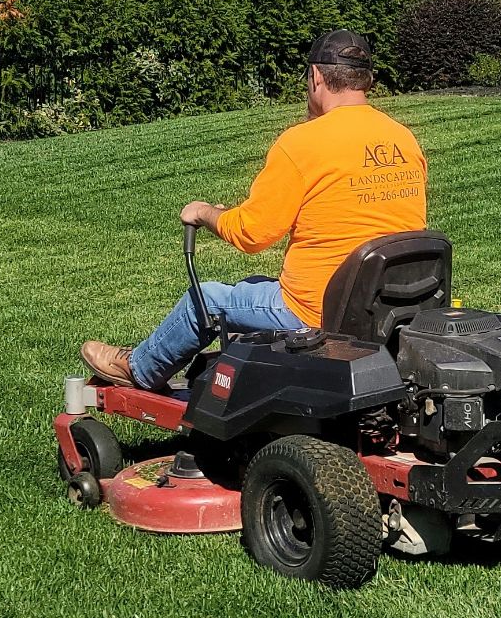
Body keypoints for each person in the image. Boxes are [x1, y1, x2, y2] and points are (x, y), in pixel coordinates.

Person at [81, 30, 427, 389]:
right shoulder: (402, 137)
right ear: (366, 79)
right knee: (251, 287)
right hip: (383, 308)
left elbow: (252, 233)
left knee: (208, 299)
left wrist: (204, 213)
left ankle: (139, 368)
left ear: (316, 77)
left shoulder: (302, 143)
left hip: (314, 311)